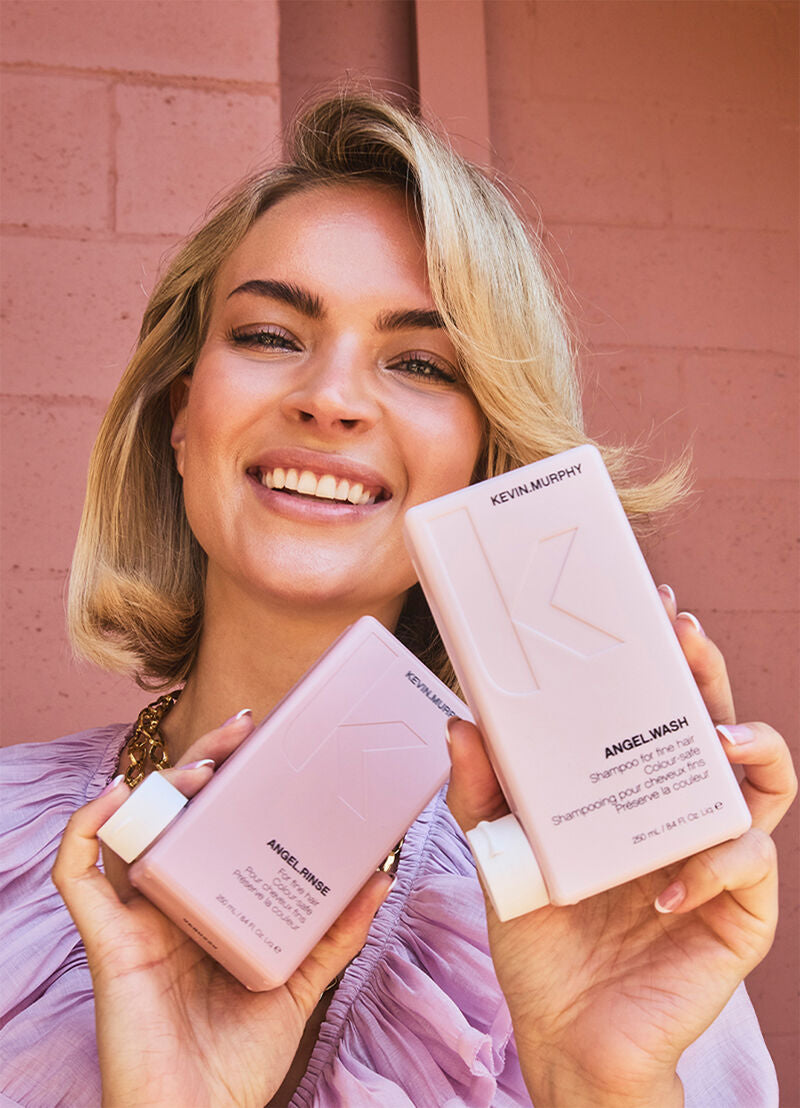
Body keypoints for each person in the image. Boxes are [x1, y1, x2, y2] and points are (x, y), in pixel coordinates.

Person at [0, 91, 795, 1108]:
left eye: (418, 361)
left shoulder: (612, 915)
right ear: (179, 416)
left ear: (484, 464)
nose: (329, 396)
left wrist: (597, 1078)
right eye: (269, 334)